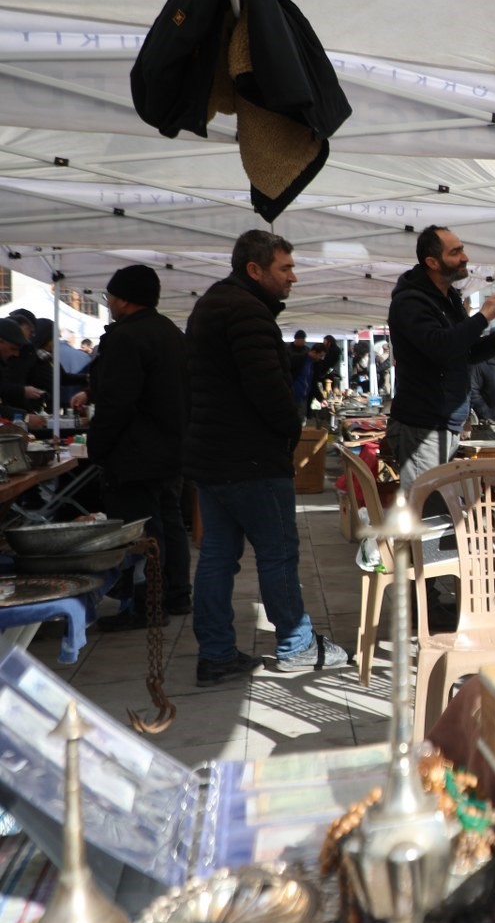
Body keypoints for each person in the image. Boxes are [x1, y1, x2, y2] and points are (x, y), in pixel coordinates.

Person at [185, 230, 349, 685]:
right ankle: (297, 644)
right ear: (255, 270)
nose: (293, 277)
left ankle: (217, 653)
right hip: (249, 457)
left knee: (218, 556)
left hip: (216, 454)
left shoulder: (215, 305)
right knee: (276, 554)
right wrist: (288, 431)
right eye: (285, 268)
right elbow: (267, 389)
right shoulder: (246, 310)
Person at [71, 265, 191, 631]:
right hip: (171, 449)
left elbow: (117, 401)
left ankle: (146, 606)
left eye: (109, 296)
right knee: (169, 523)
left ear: (123, 299)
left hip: (136, 454)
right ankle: (176, 595)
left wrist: (98, 447)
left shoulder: (126, 337)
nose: (108, 302)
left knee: (142, 534)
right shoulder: (170, 332)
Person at [386, 225, 495, 485]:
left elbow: (465, 351)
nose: (464, 257)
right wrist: (482, 318)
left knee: (439, 502)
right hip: (423, 424)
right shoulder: (410, 302)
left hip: (447, 423)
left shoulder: (449, 299)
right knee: (426, 504)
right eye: (455, 252)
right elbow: (441, 347)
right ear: (432, 262)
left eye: (462, 250)